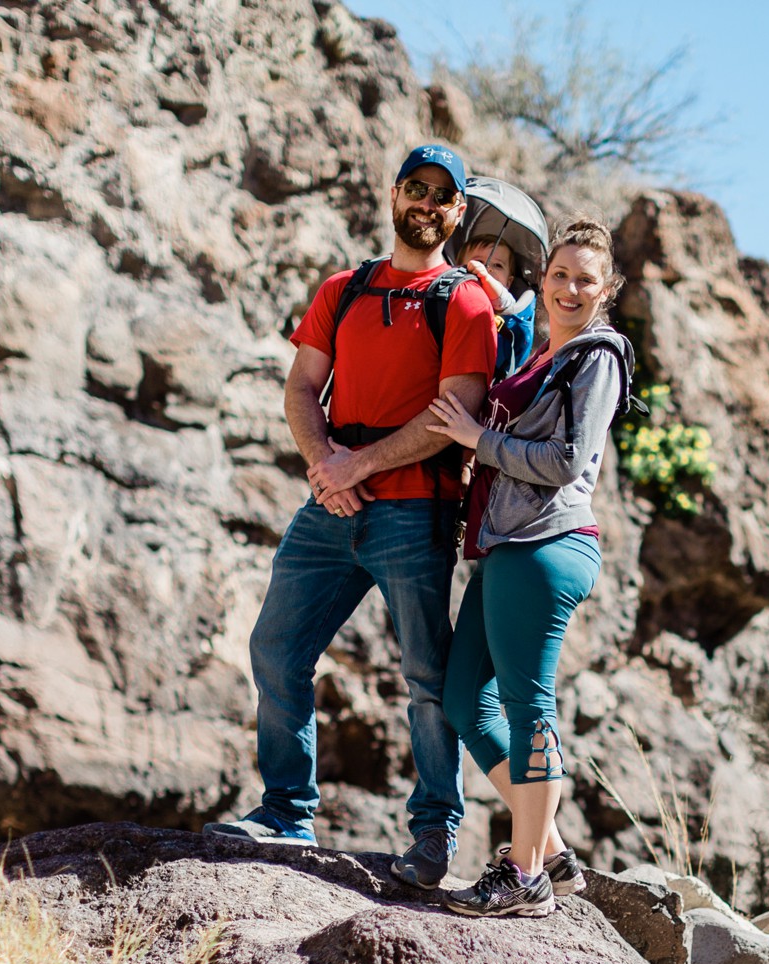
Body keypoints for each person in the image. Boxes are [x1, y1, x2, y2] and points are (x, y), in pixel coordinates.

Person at [205, 145, 497, 891]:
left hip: (413, 513)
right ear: (395, 193)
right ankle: (286, 811)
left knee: (427, 676)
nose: (427, 203)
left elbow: (453, 416)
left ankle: (435, 834)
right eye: (416, 188)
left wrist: (353, 467)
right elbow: (302, 387)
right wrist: (323, 467)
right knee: (275, 649)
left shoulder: (465, 302)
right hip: (330, 508)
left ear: (457, 211)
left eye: (443, 195)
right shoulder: (344, 289)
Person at [424, 217, 633, 917]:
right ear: (543, 282)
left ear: (607, 291)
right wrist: (494, 291)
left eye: (585, 280)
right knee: (463, 699)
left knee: (526, 706)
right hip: (506, 548)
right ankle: (549, 849)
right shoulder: (547, 350)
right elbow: (521, 328)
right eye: (559, 276)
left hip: (546, 545)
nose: (570, 289)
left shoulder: (597, 356)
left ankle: (523, 876)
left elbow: (566, 460)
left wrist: (476, 439)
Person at [459, 233, 538, 379]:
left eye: (498, 265)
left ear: (508, 282)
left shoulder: (506, 302)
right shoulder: (456, 288)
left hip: (488, 369)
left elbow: (502, 301)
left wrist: (486, 279)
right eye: (479, 261)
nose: (488, 268)